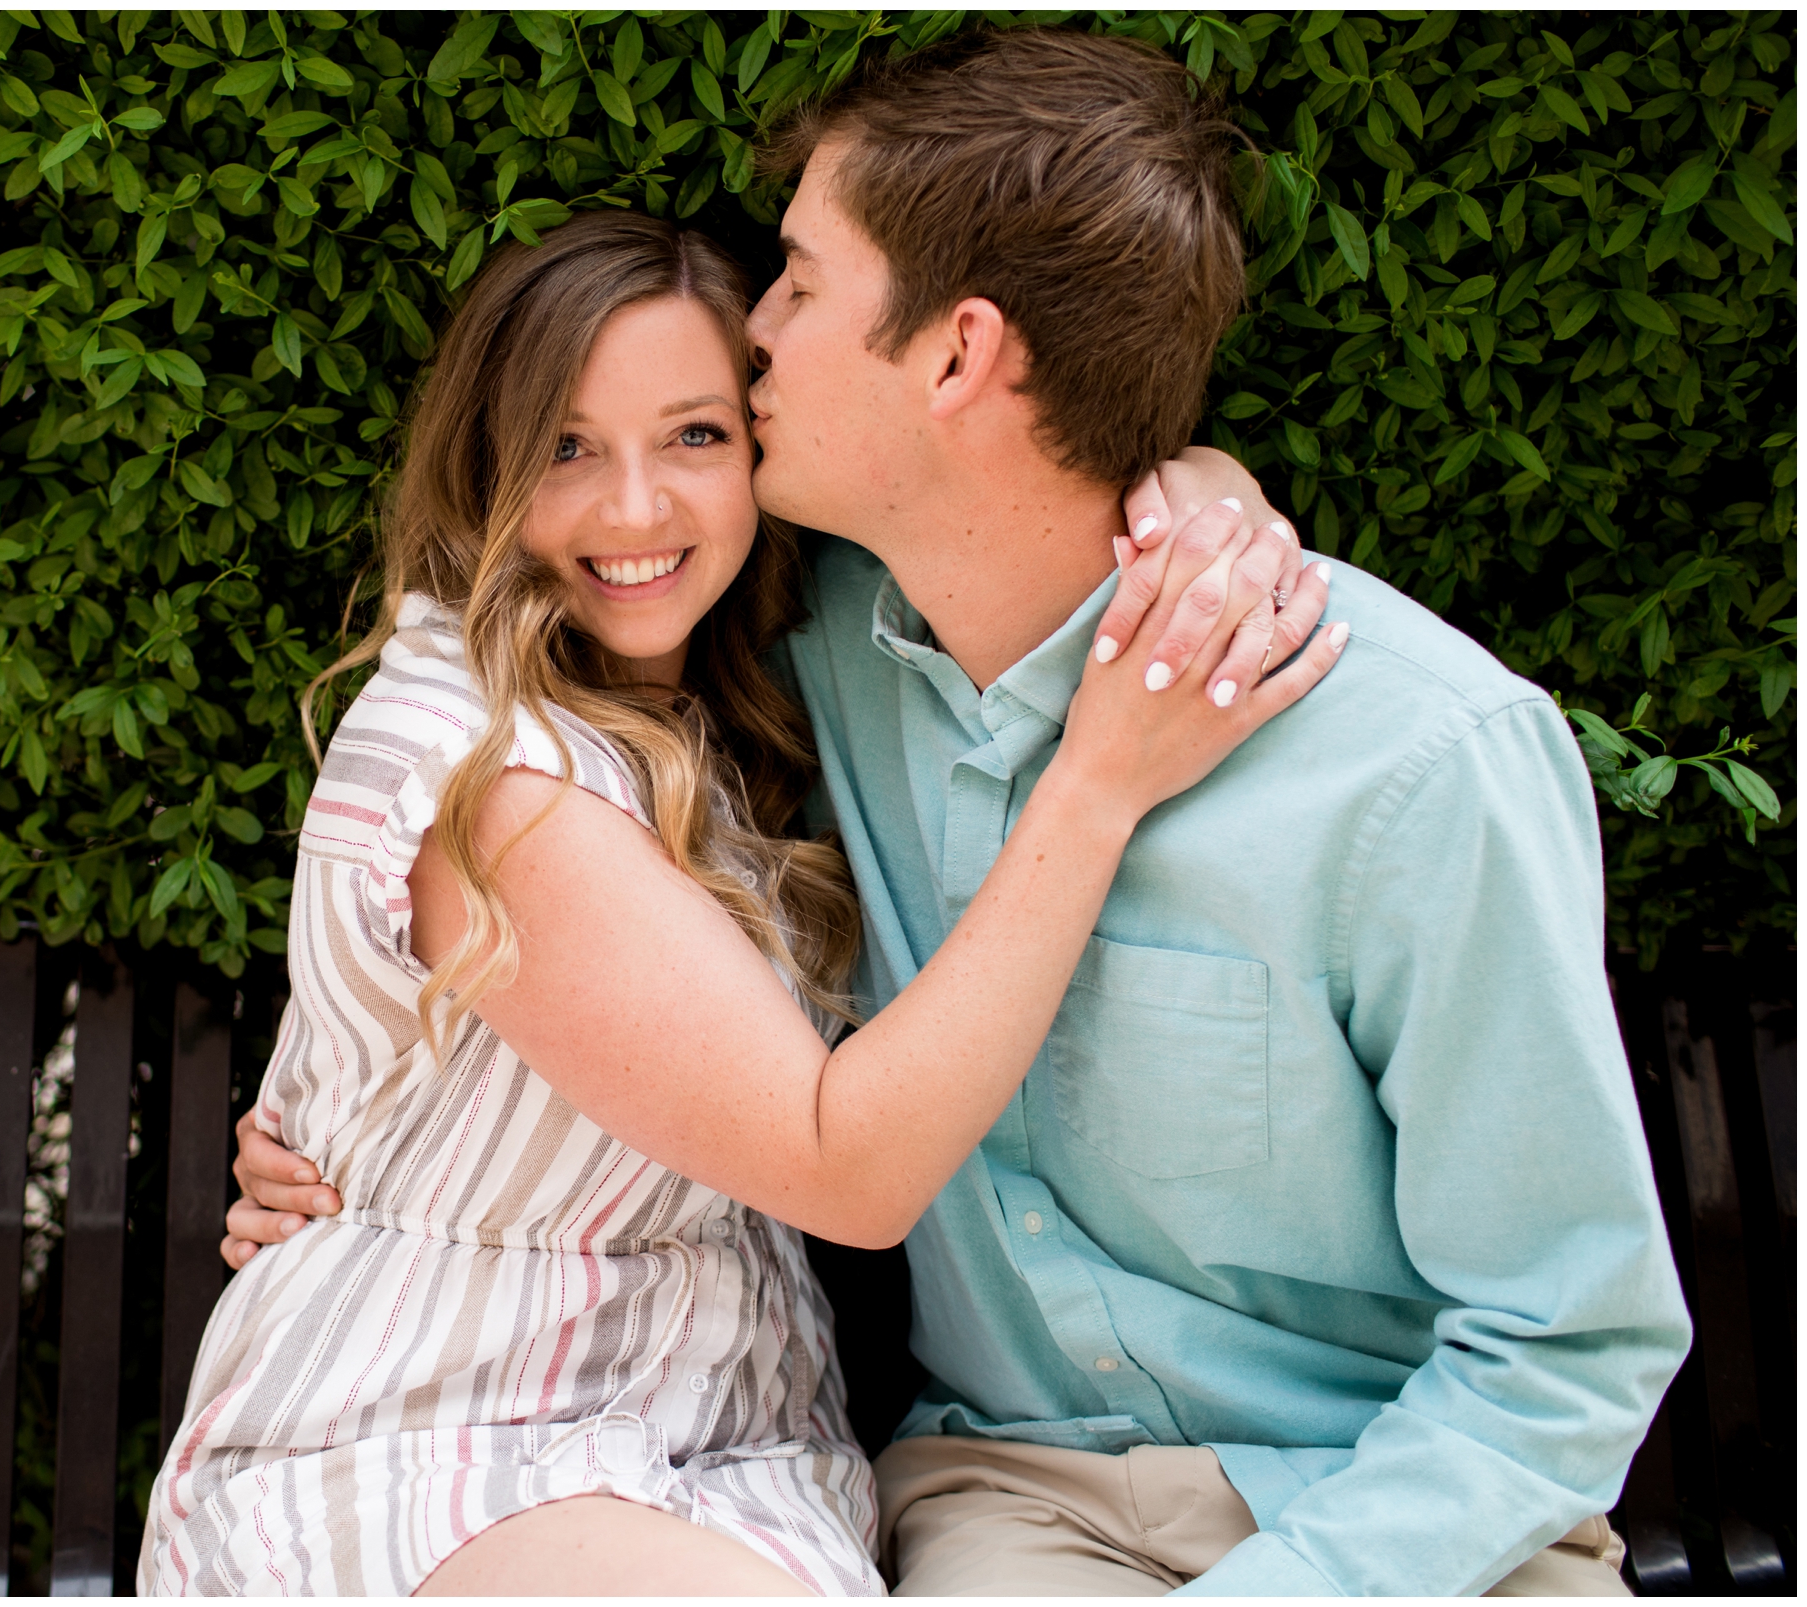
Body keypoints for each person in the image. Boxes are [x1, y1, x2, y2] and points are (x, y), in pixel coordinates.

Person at [224, 25, 1693, 1599]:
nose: (759, 337)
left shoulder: (1418, 759)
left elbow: (1565, 1346)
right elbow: (526, 836)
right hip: (1019, 1502)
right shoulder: (808, 658)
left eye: (794, 282)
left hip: (1411, 1513)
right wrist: (358, 1112)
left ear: (956, 355)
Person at [140, 197, 1339, 1597]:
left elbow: (1014, 503)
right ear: (485, 466)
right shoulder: (487, 767)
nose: (634, 509)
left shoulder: (753, 683)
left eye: (696, 437)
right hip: (432, 1423)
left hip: (734, 1441)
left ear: (766, 448)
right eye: (567, 449)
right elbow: (851, 1172)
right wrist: (1100, 783)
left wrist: (1199, 493)